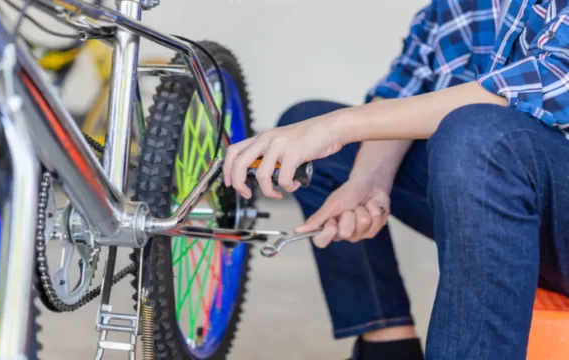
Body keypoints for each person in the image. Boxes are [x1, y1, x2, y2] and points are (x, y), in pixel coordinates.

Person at [223, 0, 569, 359]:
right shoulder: (453, 7)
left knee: (478, 135)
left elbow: (551, 80)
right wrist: (367, 183)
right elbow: (406, 92)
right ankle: (390, 347)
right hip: (515, 211)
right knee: (312, 129)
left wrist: (335, 127)